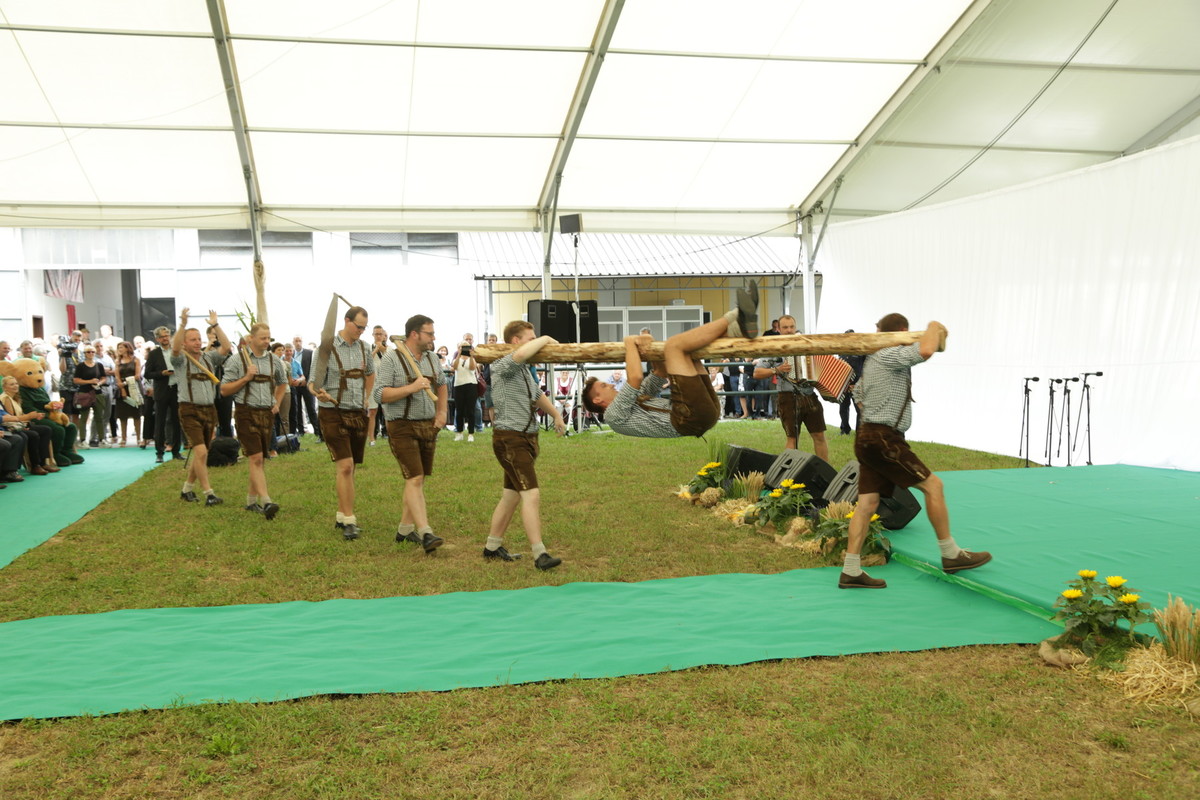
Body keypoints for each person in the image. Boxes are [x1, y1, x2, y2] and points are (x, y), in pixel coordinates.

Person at [839, 314, 991, 589]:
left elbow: (858, 396)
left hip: (868, 436)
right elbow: (926, 349)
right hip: (883, 438)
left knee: (867, 505)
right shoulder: (889, 354)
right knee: (934, 486)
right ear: (902, 331)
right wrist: (934, 326)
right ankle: (950, 553)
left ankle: (851, 570)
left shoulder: (873, 360)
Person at [581, 281, 759, 439]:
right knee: (673, 346)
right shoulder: (613, 415)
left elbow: (660, 372)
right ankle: (737, 314)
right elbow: (635, 378)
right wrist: (629, 342)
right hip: (689, 417)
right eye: (603, 386)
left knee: (689, 350)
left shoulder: (636, 398)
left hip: (702, 413)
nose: (611, 384)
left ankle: (739, 329)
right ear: (597, 401)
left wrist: (649, 342)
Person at [483, 320, 567, 570]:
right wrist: (547, 339)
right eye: (531, 339)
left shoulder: (523, 370)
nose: (536, 344)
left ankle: (492, 547)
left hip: (525, 438)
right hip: (510, 439)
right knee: (531, 494)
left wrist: (557, 415)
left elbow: (537, 395)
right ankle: (540, 554)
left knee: (511, 496)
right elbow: (519, 354)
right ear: (516, 341)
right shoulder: (502, 364)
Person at [375, 315, 449, 553]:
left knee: (418, 478)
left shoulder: (430, 358)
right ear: (415, 334)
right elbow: (380, 394)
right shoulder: (392, 358)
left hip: (428, 424)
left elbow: (442, 383)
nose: (433, 338)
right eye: (429, 333)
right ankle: (426, 532)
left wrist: (442, 412)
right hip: (401, 425)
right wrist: (412, 388)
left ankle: (405, 530)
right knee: (414, 478)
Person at [312, 305, 375, 540]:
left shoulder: (365, 348)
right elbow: (312, 382)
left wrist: (367, 398)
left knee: (351, 468)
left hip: (357, 412)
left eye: (364, 327)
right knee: (345, 466)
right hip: (332, 413)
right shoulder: (326, 348)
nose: (361, 331)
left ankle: (341, 514)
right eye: (358, 326)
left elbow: (370, 374)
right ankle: (350, 520)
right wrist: (319, 393)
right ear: (347, 321)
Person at [222, 322, 286, 519]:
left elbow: (283, 382)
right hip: (245, 412)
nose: (267, 342)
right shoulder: (237, 360)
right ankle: (266, 501)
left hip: (266, 413)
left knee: (258, 460)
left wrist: (277, 402)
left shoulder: (275, 361)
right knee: (256, 458)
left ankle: (251, 502)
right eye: (263, 338)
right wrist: (245, 379)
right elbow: (224, 390)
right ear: (251, 338)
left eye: (268, 338)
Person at [171, 309, 231, 506]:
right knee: (202, 452)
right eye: (192, 339)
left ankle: (186, 490)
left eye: (198, 339)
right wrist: (182, 324)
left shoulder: (209, 358)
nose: (197, 342)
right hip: (189, 410)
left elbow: (227, 346)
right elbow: (175, 348)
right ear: (184, 343)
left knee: (201, 452)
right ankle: (209, 493)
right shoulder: (180, 360)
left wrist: (215, 325)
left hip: (209, 410)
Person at [752, 314, 830, 462]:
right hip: (787, 397)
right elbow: (757, 372)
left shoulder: (806, 345)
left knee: (819, 435)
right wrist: (777, 370)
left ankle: (827, 473)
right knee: (792, 438)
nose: (789, 330)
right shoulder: (774, 348)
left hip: (809, 395)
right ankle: (788, 475)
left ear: (795, 327)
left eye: (791, 327)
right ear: (778, 329)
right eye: (785, 327)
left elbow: (819, 367)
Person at [1, 376, 59, 475]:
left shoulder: (15, 397)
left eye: (16, 383)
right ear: (5, 387)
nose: (15, 386)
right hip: (13, 427)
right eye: (12, 384)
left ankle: (43, 462)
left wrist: (34, 416)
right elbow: (11, 419)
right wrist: (28, 418)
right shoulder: (5, 398)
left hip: (20, 424)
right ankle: (35, 465)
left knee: (46, 430)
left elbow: (18, 416)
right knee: (33, 435)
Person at [144, 326, 183, 462]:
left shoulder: (177, 351)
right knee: (160, 422)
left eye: (167, 335)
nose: (165, 338)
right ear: (157, 339)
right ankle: (159, 452)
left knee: (177, 421)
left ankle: (176, 451)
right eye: (162, 336)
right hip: (162, 390)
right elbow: (147, 374)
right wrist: (162, 373)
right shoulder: (154, 354)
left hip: (176, 390)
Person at [72, 345, 109, 448]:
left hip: (97, 393)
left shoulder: (99, 365)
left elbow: (104, 377)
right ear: (84, 354)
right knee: (84, 417)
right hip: (84, 393)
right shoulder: (80, 366)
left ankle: (102, 439)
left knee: (99, 417)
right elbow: (76, 380)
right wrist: (89, 381)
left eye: (93, 352)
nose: (91, 354)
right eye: (88, 352)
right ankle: (83, 440)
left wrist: (99, 383)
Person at [112, 341, 144, 446]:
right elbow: (117, 377)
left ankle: (139, 438)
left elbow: (137, 375)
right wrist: (122, 388)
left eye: (121, 347)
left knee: (136, 415)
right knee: (122, 415)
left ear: (127, 348)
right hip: (122, 389)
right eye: (118, 347)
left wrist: (126, 382)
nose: (119, 349)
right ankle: (124, 438)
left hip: (134, 388)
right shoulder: (118, 361)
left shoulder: (136, 360)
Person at [291, 335, 321, 439]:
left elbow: (312, 368)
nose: (298, 343)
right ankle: (301, 430)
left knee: (311, 408)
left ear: (302, 342)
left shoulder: (309, 353)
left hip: (307, 385)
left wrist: (307, 381)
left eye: (299, 341)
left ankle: (318, 431)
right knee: (297, 408)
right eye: (296, 341)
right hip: (295, 385)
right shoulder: (292, 354)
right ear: (293, 342)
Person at [838, 329, 865, 436]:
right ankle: (845, 429)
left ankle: (859, 431)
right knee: (843, 408)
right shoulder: (840, 351)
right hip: (843, 384)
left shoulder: (861, 351)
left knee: (859, 409)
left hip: (857, 385)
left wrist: (860, 383)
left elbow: (866, 367)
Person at [450, 340, 478, 442]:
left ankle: (471, 434)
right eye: (462, 347)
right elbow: (455, 366)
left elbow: (472, 368)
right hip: (458, 385)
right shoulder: (456, 358)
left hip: (471, 385)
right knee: (459, 410)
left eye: (466, 347)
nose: (464, 349)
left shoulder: (472, 359)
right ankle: (459, 432)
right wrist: (458, 354)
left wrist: (471, 356)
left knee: (471, 410)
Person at [367, 325, 390, 446]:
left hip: (387, 385)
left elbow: (392, 362)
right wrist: (376, 349)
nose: (378, 336)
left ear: (384, 335)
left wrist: (383, 350)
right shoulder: (368, 349)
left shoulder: (389, 350)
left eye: (380, 334)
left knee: (388, 412)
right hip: (373, 384)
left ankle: (390, 435)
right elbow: (366, 363)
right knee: (372, 411)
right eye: (376, 334)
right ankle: (371, 438)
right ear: (373, 335)